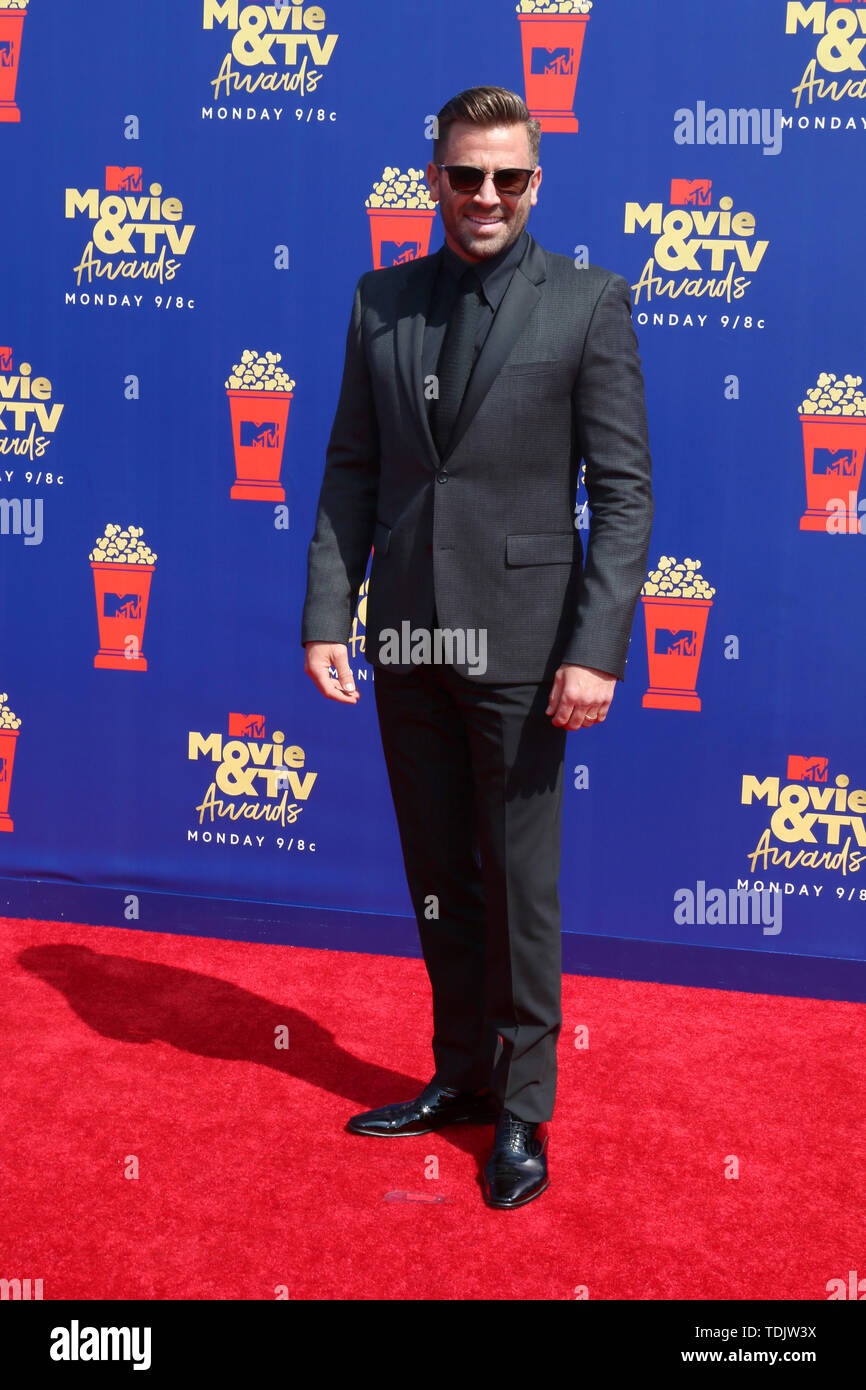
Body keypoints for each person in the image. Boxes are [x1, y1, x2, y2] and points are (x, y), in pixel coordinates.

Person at [302, 86, 654, 1208]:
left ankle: (521, 1109)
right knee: (439, 877)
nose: (485, 195)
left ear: (536, 182)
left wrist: (595, 646)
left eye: (507, 176)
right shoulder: (380, 301)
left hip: (524, 646)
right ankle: (457, 1074)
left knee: (518, 885)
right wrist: (328, 611)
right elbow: (350, 470)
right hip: (407, 635)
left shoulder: (589, 303)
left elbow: (625, 494)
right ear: (434, 180)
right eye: (465, 175)